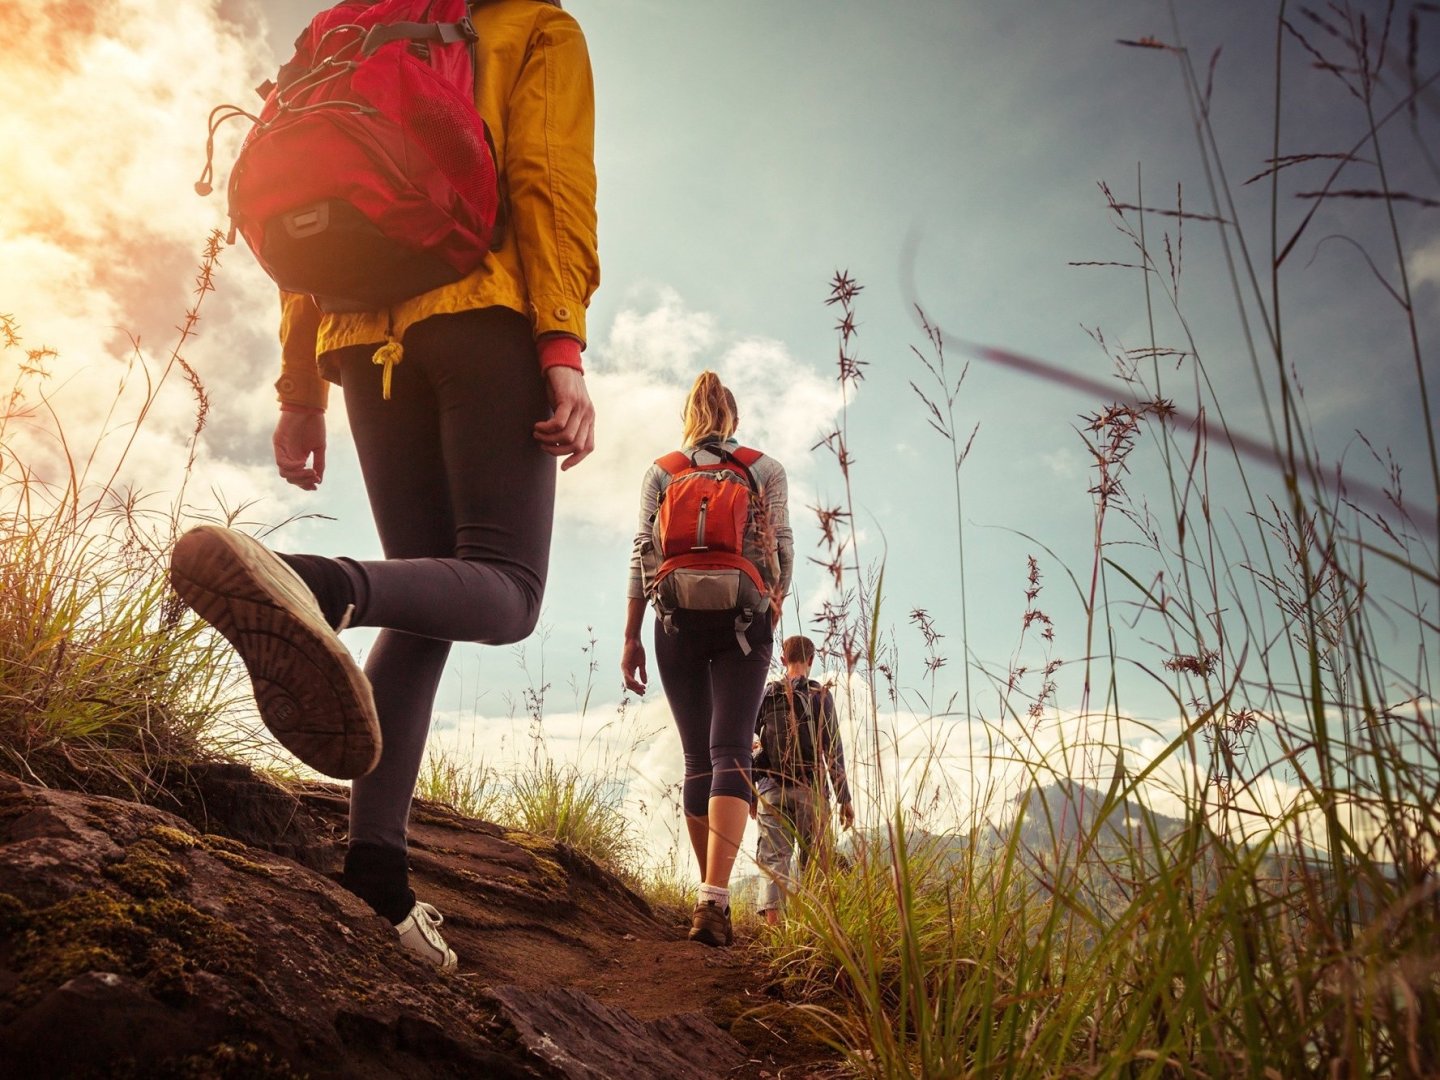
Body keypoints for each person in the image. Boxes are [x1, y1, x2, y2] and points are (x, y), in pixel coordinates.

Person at [168, 0, 598, 971]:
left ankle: (376, 877)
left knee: (426, 602)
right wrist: (561, 345)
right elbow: (548, 182)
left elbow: (306, 211)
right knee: (506, 588)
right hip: (482, 315)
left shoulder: (350, 30)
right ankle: (315, 586)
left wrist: (299, 387)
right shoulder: (533, 25)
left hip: (358, 336)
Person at [621, 371, 792, 947]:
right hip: (746, 623)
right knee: (731, 753)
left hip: (674, 623)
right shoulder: (763, 468)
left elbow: (641, 554)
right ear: (734, 418)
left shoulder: (663, 471)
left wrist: (632, 636)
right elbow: (782, 549)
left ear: (688, 418)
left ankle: (707, 894)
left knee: (698, 757)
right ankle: (715, 896)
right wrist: (770, 608)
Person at [752, 635, 854, 926]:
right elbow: (833, 749)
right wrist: (844, 798)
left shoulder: (766, 693)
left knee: (774, 860)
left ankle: (775, 932)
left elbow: (749, 743)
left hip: (771, 789)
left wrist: (749, 794)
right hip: (812, 790)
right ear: (811, 660)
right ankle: (812, 931)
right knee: (815, 861)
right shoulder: (820, 694)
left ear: (783, 660)